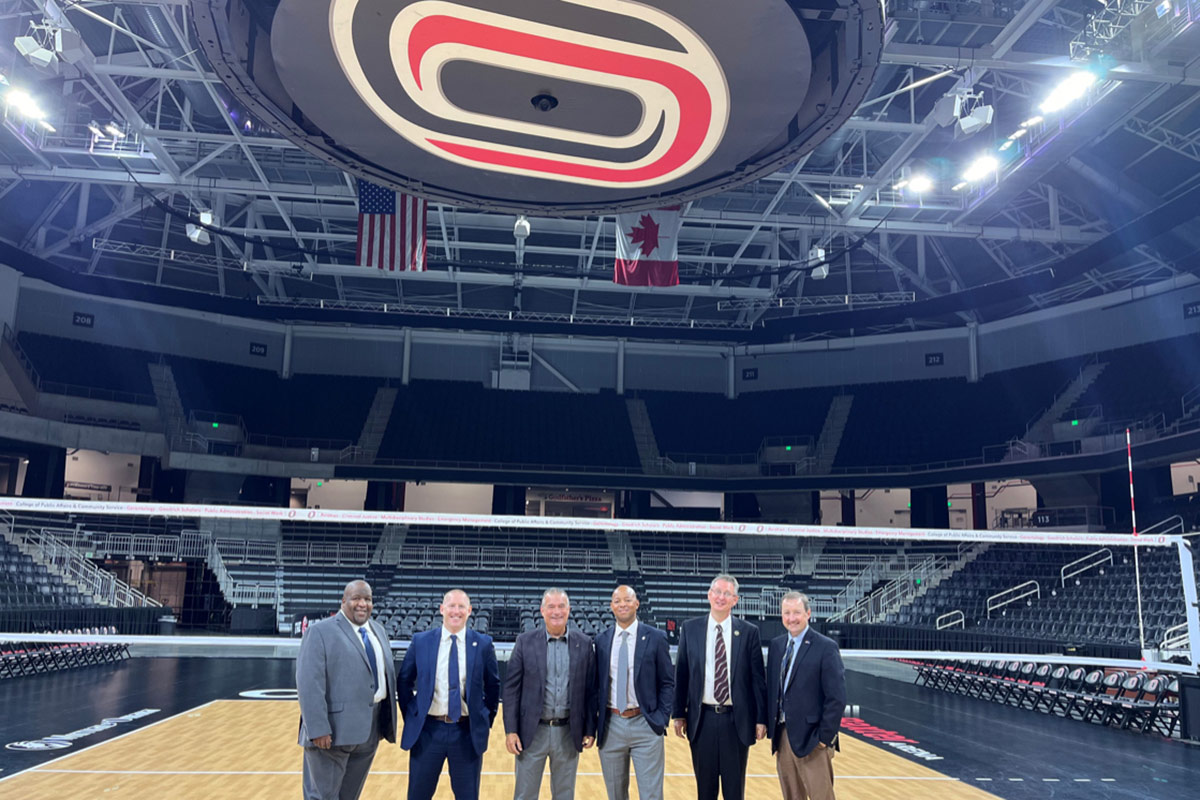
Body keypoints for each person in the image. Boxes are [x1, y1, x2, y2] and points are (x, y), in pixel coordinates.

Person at [296, 579, 397, 800]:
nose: (363, 604)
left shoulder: (378, 631)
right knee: (322, 797)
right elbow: (308, 683)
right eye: (357, 598)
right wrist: (318, 728)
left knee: (348, 796)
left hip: (369, 730)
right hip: (331, 732)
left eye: (368, 599)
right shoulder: (320, 632)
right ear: (343, 601)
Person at [398, 589, 501, 800]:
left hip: (466, 732)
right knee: (418, 795)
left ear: (470, 611)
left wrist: (483, 719)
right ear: (441, 609)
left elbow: (493, 686)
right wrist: (414, 714)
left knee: (467, 796)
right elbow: (404, 681)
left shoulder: (482, 644)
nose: (456, 611)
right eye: (451, 606)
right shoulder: (421, 641)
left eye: (461, 606)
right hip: (427, 731)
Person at [672, 574, 767, 800]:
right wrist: (678, 714)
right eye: (717, 592)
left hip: (736, 720)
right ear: (708, 595)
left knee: (734, 792)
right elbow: (682, 673)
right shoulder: (690, 628)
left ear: (735, 600)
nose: (720, 597)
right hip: (701, 719)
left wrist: (761, 718)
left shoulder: (749, 632)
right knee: (705, 791)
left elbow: (757, 679)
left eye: (727, 593)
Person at [504, 588, 598, 800]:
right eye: (551, 607)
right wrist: (511, 730)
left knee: (565, 795)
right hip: (532, 732)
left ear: (569, 610)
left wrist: (590, 728)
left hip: (568, 732)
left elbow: (591, 692)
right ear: (542, 611)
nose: (556, 611)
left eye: (561, 606)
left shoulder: (583, 644)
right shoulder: (525, 642)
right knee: (525, 794)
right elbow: (511, 690)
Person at [594, 585, 674, 800]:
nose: (623, 604)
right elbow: (595, 686)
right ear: (611, 606)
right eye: (617, 601)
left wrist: (661, 718)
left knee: (651, 795)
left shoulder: (655, 637)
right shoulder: (602, 640)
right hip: (611, 725)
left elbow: (667, 682)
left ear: (637, 604)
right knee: (615, 795)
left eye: (627, 600)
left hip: (645, 723)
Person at [765, 591, 846, 800]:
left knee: (821, 796)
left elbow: (836, 698)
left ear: (808, 613)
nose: (791, 618)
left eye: (797, 612)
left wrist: (824, 738)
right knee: (791, 796)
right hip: (783, 736)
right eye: (786, 613)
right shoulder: (776, 646)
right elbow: (773, 689)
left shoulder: (826, 647)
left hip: (813, 739)